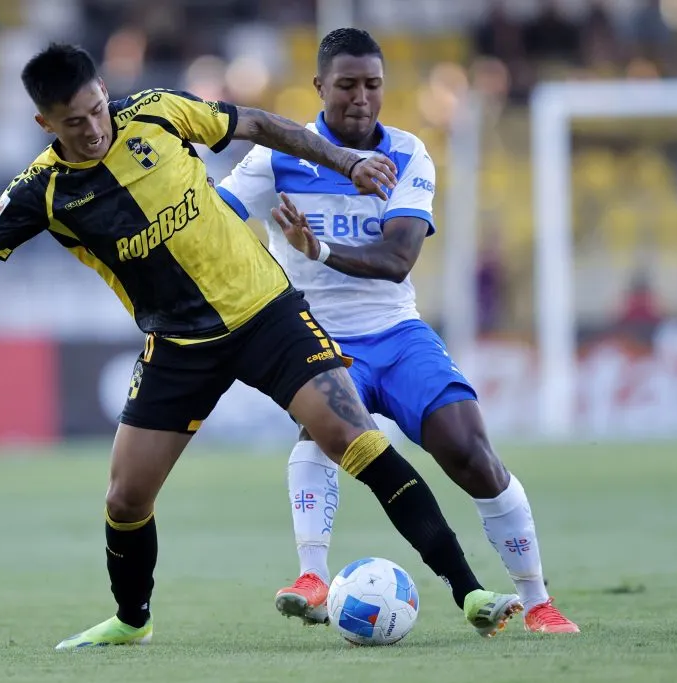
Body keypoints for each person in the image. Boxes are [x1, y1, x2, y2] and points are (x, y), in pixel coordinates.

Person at [0, 43, 512, 650]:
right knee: (125, 499)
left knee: (356, 440)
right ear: (47, 125)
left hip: (266, 314)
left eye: (99, 109)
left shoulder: (156, 113)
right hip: (180, 343)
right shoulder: (42, 193)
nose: (96, 127)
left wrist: (340, 158)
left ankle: (468, 589)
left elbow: (255, 123)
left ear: (107, 91)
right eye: (76, 122)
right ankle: (133, 618)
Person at [216, 28, 579, 635]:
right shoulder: (277, 156)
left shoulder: (408, 153)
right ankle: (310, 577)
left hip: (396, 331)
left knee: (470, 451)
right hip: (318, 338)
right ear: (320, 88)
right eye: (347, 85)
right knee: (320, 428)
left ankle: (539, 601)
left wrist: (320, 248)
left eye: (372, 85)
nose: (361, 97)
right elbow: (217, 223)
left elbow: (396, 260)